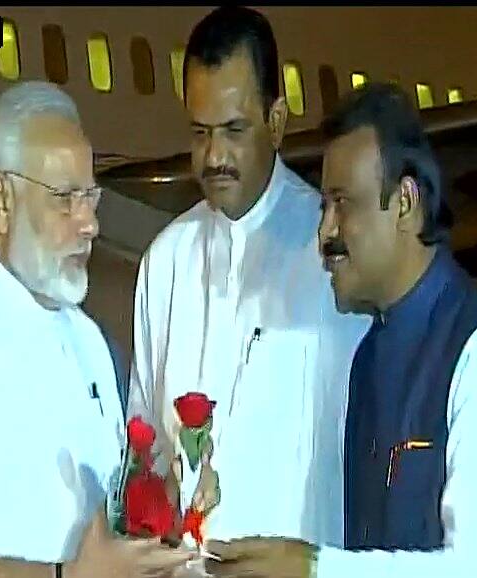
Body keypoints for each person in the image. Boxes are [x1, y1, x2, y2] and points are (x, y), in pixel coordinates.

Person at [210, 82, 477, 577]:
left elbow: (474, 567)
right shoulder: (366, 357)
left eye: (342, 203)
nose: (325, 233)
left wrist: (312, 569)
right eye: (324, 207)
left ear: (405, 202)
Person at [0, 82, 191, 578]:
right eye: (65, 199)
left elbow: (102, 538)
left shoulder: (89, 341)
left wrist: (161, 513)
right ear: (1, 201)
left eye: (91, 197)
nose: (90, 224)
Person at [128, 4, 367, 554]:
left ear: (276, 121)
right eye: (200, 133)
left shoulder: (332, 253)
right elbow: (144, 450)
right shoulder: (165, 262)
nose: (214, 156)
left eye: (234, 131)